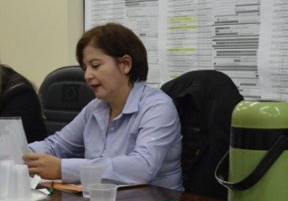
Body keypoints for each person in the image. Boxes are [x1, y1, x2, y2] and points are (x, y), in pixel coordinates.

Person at [23, 22, 183, 190]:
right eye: (85, 68)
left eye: (95, 65)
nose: (87, 75)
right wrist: (16, 153)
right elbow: (56, 146)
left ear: (125, 64)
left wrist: (62, 169)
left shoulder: (158, 107)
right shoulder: (95, 108)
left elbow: (142, 168)